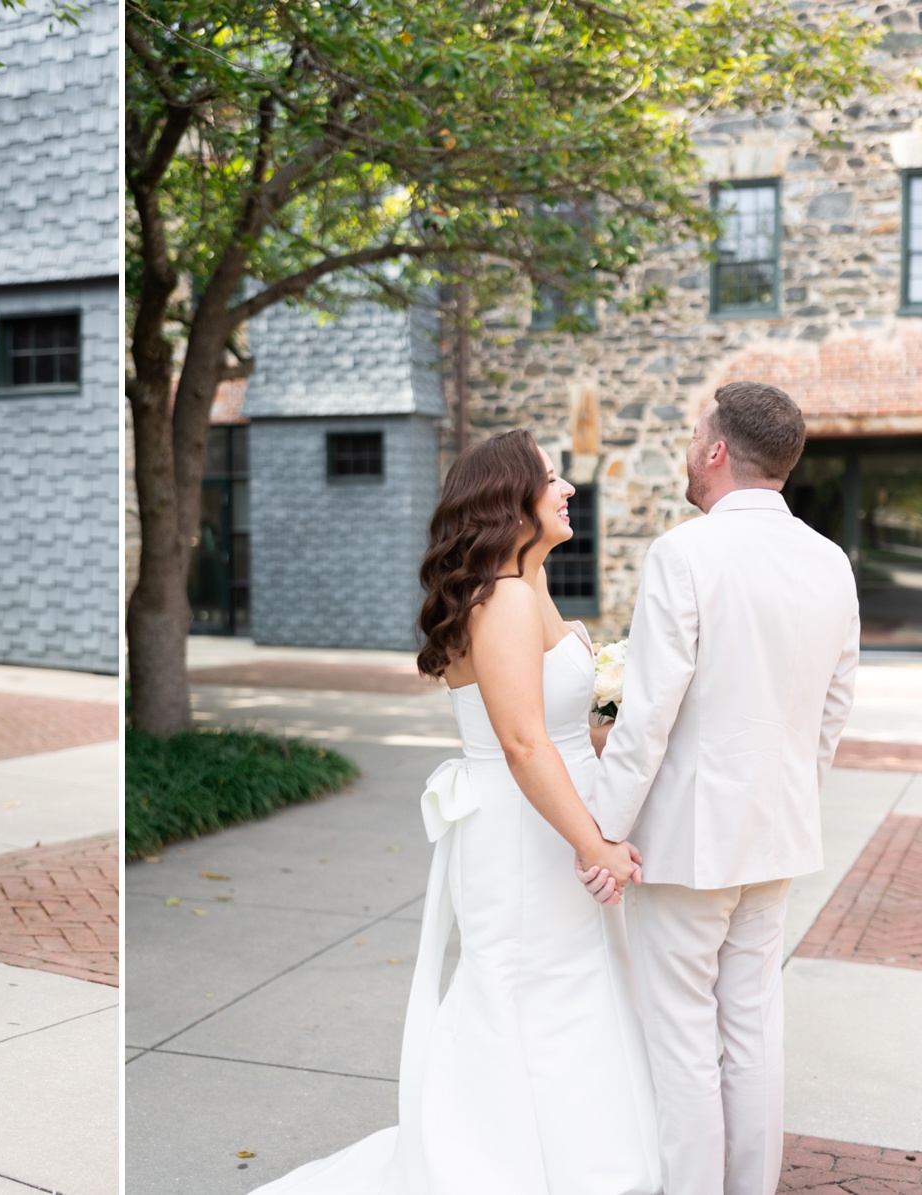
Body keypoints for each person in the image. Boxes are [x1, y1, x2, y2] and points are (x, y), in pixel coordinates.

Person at [250, 429, 661, 1195]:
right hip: (523, 831)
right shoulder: (499, 598)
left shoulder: (525, 579)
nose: (568, 487)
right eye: (550, 477)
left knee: (572, 987)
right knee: (522, 986)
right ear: (510, 498)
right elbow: (521, 742)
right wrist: (593, 844)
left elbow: (563, 724)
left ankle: (577, 1159)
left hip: (555, 822)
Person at [576, 382, 859, 1195]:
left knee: (682, 1040)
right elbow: (830, 714)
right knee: (753, 1024)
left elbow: (649, 714)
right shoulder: (830, 562)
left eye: (698, 431)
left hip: (688, 842)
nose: (692, 445)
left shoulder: (685, 551)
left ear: (717, 451)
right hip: (775, 835)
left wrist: (602, 831)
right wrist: (791, 801)